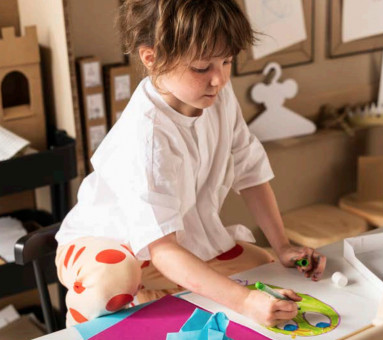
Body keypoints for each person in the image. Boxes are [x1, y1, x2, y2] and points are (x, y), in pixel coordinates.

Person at [54, 0, 326, 328]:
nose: (219, 79)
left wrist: (282, 246)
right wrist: (243, 301)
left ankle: (160, 293)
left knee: (263, 269)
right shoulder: (148, 133)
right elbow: (163, 250)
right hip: (107, 247)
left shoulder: (219, 99)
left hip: (174, 246)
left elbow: (249, 170)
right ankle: (82, 327)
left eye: (226, 61)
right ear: (151, 59)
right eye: (202, 68)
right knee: (114, 278)